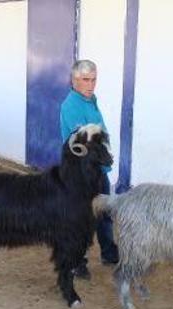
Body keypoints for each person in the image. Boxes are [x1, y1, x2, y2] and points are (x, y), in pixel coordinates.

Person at [59, 59, 120, 278]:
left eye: (94, 80)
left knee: (104, 212)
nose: (91, 84)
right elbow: (85, 142)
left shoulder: (90, 100)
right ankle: (78, 260)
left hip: (98, 171)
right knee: (82, 216)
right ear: (74, 80)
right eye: (86, 80)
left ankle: (109, 251)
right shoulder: (71, 106)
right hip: (82, 174)